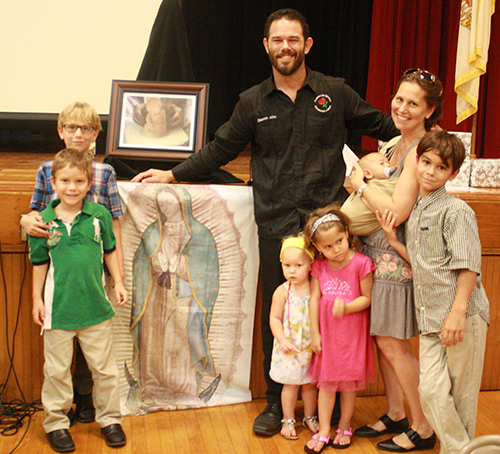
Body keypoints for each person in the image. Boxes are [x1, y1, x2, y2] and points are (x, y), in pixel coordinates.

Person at [132, 8, 399, 436]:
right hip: (276, 226)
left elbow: (386, 125)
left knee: (333, 314)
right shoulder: (252, 102)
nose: (286, 47)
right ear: (267, 46)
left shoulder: (334, 92)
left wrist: (390, 160)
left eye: (293, 40)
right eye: (278, 40)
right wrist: (172, 174)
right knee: (278, 311)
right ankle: (278, 403)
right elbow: (219, 149)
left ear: (307, 45)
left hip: (329, 230)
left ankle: (325, 404)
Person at [376, 131, 489, 454]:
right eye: (425, 162)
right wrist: (396, 242)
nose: (429, 171)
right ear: (416, 161)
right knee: (430, 391)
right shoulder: (418, 209)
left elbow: (468, 266)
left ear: (452, 174)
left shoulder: (456, 211)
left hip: (461, 316)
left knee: (461, 400)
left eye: (440, 167)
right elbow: (426, 264)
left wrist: (457, 313)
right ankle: (468, 451)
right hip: (429, 319)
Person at [349, 69, 441, 451]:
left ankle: (422, 426)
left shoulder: (424, 150)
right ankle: (395, 412)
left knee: (393, 344)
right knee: (382, 340)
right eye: (399, 99)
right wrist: (363, 173)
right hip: (373, 252)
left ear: (429, 110)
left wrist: (361, 184)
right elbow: (363, 168)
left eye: (413, 103)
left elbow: (396, 211)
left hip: (394, 258)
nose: (402, 108)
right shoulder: (393, 143)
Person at [20, 102, 124, 425]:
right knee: (61, 352)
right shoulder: (47, 169)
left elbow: (113, 229)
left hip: (94, 269)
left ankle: (90, 402)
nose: (78, 134)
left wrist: (117, 276)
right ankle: (62, 413)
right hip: (60, 268)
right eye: (71, 128)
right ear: (60, 131)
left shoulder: (104, 173)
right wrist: (26, 220)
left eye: (86, 129)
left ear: (95, 133)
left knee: (96, 350)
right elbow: (37, 215)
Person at [130, 186, 221, 407]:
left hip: (185, 297)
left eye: (169, 203)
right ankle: (152, 387)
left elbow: (207, 267)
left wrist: (179, 264)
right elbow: (140, 263)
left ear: (183, 203)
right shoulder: (152, 231)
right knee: (154, 341)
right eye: (161, 204)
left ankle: (185, 388)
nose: (166, 208)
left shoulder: (199, 233)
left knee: (180, 342)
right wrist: (154, 262)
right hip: (155, 297)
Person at [303, 205, 375, 452]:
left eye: (340, 241)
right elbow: (314, 299)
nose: (336, 249)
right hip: (328, 337)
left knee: (348, 386)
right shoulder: (320, 267)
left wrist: (347, 307)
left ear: (346, 233)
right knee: (326, 385)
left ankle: (345, 425)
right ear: (317, 247)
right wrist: (315, 333)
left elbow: (367, 298)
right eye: (327, 246)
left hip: (352, 336)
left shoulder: (361, 263)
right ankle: (324, 430)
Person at [269, 236, 318, 440]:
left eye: (298, 265)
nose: (292, 270)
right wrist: (281, 339)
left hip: (309, 347)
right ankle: (288, 419)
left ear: (310, 264)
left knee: (310, 384)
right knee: (290, 385)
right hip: (289, 348)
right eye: (287, 265)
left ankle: (309, 416)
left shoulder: (315, 288)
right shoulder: (282, 291)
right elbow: (274, 318)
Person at [341, 152, 397, 236]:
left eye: (388, 162)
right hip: (345, 223)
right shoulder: (368, 185)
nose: (388, 165)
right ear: (368, 173)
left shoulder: (389, 184)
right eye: (381, 163)